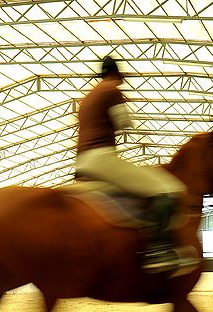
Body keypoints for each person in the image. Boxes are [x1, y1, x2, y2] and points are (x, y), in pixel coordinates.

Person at [75, 55, 199, 275]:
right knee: (168, 189)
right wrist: (140, 133)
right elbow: (123, 122)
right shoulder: (111, 90)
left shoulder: (86, 98)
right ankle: (158, 251)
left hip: (82, 164)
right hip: (101, 159)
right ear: (116, 74)